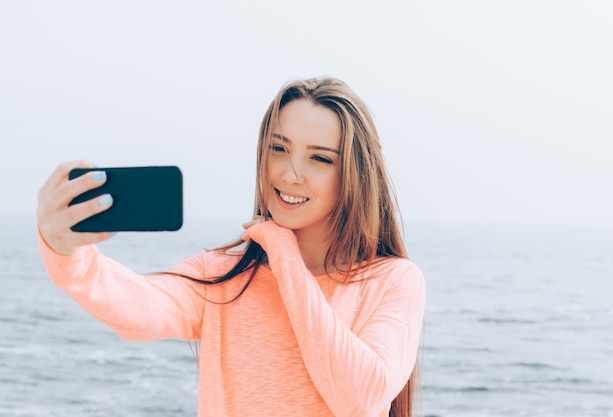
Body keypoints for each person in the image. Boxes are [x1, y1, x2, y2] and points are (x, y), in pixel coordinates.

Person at [36, 76, 426, 417]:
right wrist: (67, 252)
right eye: (279, 148)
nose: (291, 173)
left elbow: (360, 398)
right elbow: (137, 307)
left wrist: (284, 254)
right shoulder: (222, 275)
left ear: (354, 175)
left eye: (320, 159)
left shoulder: (393, 281)